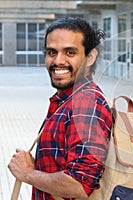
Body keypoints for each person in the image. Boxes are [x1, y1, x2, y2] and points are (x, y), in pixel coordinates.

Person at [8, 17, 112, 199]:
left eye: (70, 53)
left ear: (90, 57)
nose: (58, 61)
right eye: (51, 52)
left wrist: (27, 174)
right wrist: (39, 167)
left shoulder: (85, 105)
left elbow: (80, 184)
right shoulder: (68, 101)